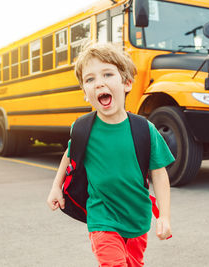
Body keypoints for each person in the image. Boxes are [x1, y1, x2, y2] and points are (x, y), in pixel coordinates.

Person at [47, 42, 175, 267]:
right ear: (85, 93)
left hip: (137, 218)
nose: (99, 83)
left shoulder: (144, 130)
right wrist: (56, 187)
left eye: (107, 74)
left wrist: (164, 216)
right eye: (90, 79)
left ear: (126, 83)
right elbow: (69, 155)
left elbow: (159, 174)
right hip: (102, 217)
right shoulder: (83, 129)